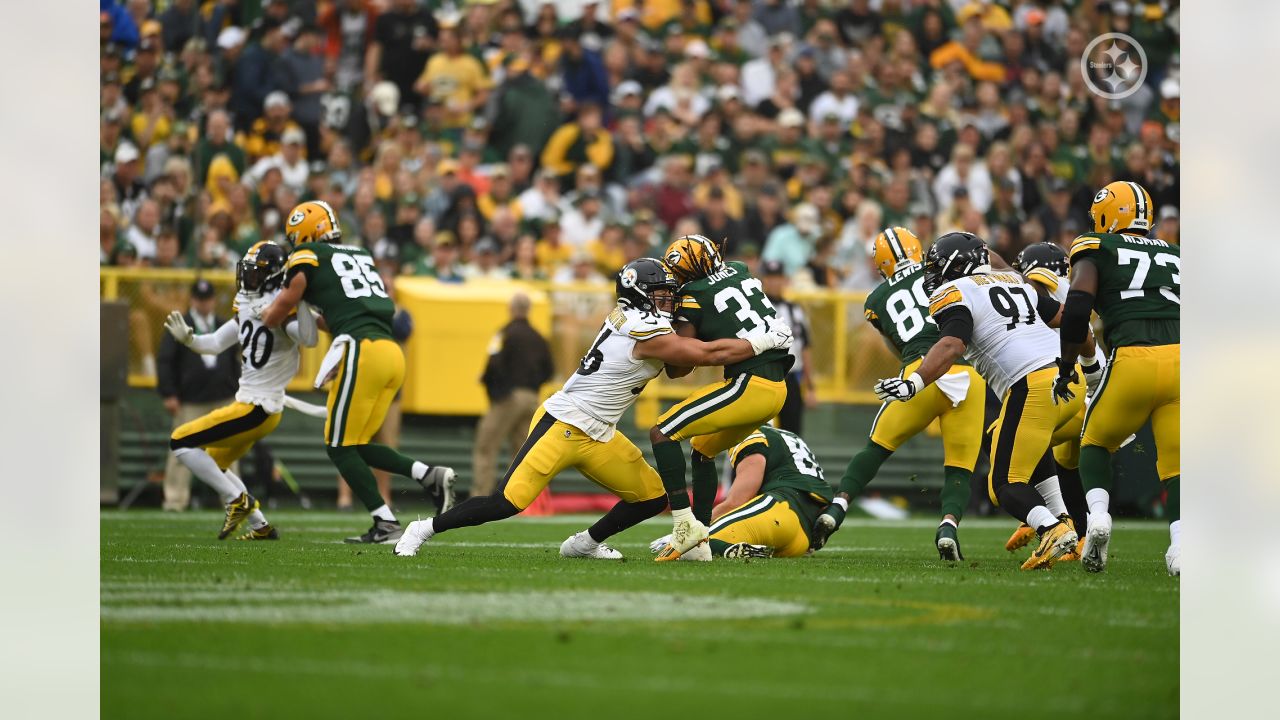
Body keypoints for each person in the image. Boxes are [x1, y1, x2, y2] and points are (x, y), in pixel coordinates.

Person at [393, 258, 793, 559]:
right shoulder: (646, 330)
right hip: (563, 423)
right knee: (507, 503)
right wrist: (762, 342)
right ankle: (422, 529)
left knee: (654, 497)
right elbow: (703, 355)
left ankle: (585, 544)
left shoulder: (635, 317)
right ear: (639, 295)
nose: (669, 300)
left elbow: (680, 366)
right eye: (662, 295)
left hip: (601, 431)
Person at [874, 231, 1085, 570]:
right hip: (1071, 384)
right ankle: (1063, 520)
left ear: (958, 265)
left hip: (1032, 385)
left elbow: (951, 346)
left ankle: (1051, 528)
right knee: (1012, 440)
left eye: (938, 267)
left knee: (1004, 485)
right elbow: (1069, 319)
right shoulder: (1017, 281)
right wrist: (1089, 365)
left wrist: (914, 382)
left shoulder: (955, 291)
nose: (933, 274)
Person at [260, 201, 456, 544]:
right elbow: (336, 316)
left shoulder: (308, 255)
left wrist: (265, 314)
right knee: (356, 444)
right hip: (390, 353)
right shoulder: (359, 252)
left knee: (337, 446)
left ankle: (385, 522)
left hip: (360, 351)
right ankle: (428, 475)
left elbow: (283, 305)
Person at [811, 228, 986, 560]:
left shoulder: (876, 299)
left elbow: (896, 346)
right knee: (961, 465)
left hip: (918, 371)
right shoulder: (947, 274)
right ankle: (948, 526)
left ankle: (837, 507)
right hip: (965, 374)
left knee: (876, 448)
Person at [1055, 181, 1181, 575]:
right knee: (1177, 464)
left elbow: (1076, 310)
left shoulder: (1097, 246)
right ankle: (1180, 548)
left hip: (1134, 357)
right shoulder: (1177, 253)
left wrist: (1065, 363)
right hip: (1183, 361)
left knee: (1094, 441)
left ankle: (1097, 517)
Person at [649, 235, 795, 561]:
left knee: (662, 431)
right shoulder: (740, 269)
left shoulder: (692, 296)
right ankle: (701, 541)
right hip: (777, 388)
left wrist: (666, 330)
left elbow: (678, 369)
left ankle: (685, 526)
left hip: (750, 385)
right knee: (702, 447)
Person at [162, 242, 314, 540]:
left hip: (257, 406)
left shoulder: (282, 306)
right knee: (215, 462)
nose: (248, 279)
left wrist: (302, 301)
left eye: (255, 273)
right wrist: (189, 340)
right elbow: (216, 343)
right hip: (253, 406)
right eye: (247, 272)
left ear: (272, 276)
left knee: (179, 441)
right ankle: (260, 525)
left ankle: (238, 500)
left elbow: (307, 338)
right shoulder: (247, 303)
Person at [652, 425, 832, 559]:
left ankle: (731, 549)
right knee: (698, 541)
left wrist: (688, 529)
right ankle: (749, 549)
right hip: (803, 537)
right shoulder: (787, 437)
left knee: (693, 544)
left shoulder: (750, 434)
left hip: (781, 509)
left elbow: (738, 501)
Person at [156, 279, 240, 512]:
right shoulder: (181, 325)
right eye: (199, 299)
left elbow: (235, 360)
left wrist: (237, 389)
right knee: (181, 451)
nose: (204, 303)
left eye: (207, 298)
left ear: (213, 300)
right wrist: (169, 392)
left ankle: (234, 500)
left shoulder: (224, 325)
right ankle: (175, 499)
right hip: (191, 399)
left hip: (223, 397)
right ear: (193, 299)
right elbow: (165, 361)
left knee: (230, 450)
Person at [472, 293, 554, 498]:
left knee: (486, 445)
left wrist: (498, 389)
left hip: (509, 398)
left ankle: (480, 495)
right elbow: (549, 370)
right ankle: (517, 498)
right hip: (532, 399)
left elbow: (494, 362)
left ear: (511, 308)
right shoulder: (538, 337)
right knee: (521, 452)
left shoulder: (505, 333)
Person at [760, 260, 815, 434]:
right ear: (764, 280)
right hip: (763, 377)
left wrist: (810, 386)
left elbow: (804, 347)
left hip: (791, 378)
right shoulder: (756, 308)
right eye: (771, 277)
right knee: (759, 435)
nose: (775, 282)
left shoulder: (795, 310)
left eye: (778, 277)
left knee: (792, 435)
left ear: (785, 280)